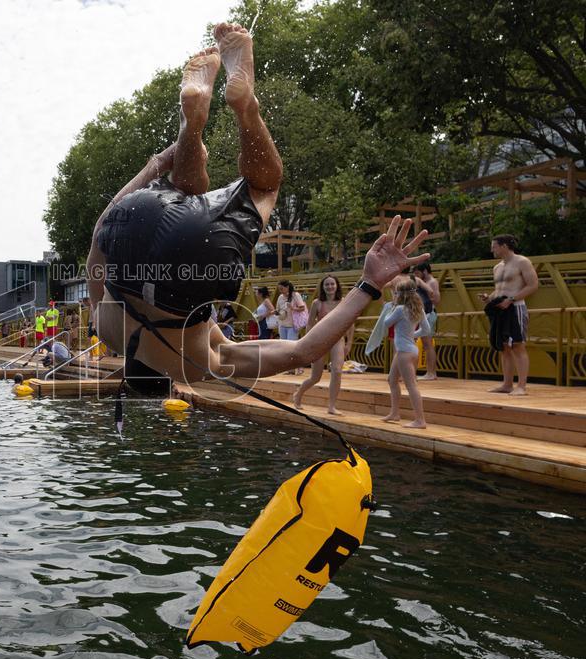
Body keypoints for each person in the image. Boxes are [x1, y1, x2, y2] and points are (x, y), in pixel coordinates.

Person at [85, 22, 429, 395]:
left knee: (265, 186)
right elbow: (99, 236)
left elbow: (301, 352)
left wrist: (370, 283)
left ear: (168, 384)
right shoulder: (105, 328)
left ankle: (246, 106)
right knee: (186, 189)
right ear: (126, 369)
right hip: (132, 223)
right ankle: (189, 128)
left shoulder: (196, 367)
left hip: (192, 256)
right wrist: (157, 163)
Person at [478, 235, 539, 396]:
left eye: (494, 246)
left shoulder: (522, 262)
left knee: (518, 345)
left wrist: (511, 299)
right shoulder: (497, 267)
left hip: (515, 307)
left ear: (504, 246)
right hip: (500, 308)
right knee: (503, 346)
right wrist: (489, 297)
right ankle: (507, 384)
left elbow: (533, 285)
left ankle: (521, 386)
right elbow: (500, 289)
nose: (492, 249)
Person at [292, 276, 353, 415]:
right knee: (315, 377)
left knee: (337, 371)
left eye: (332, 284)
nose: (330, 287)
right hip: (320, 340)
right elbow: (309, 323)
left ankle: (332, 406)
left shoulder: (343, 302)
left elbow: (350, 323)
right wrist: (308, 341)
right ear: (323, 287)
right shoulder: (317, 303)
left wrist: (349, 342)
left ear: (337, 286)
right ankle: (299, 393)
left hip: (337, 340)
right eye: (327, 284)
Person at [381, 276, 432, 428]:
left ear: (400, 295)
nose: (394, 295)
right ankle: (395, 413)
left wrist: (389, 307)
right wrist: (412, 335)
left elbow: (386, 323)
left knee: (411, 385)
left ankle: (420, 420)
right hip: (410, 349)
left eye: (395, 293)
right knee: (392, 380)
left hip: (404, 352)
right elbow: (426, 330)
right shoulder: (418, 309)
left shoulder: (399, 309)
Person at [414, 262, 440, 380]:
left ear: (424, 271)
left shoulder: (432, 282)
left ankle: (431, 373)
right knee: (426, 344)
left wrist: (425, 299)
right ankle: (430, 372)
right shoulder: (423, 282)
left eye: (418, 273)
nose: (417, 276)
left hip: (429, 314)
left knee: (428, 344)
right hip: (424, 314)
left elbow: (437, 300)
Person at [275, 280, 307, 374]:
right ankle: (290, 369)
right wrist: (276, 312)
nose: (280, 291)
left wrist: (292, 308)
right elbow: (278, 309)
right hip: (282, 324)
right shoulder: (280, 297)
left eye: (282, 288)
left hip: (292, 325)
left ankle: (299, 366)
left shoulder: (295, 295)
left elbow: (302, 308)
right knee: (284, 349)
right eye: (279, 289)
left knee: (292, 348)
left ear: (287, 287)